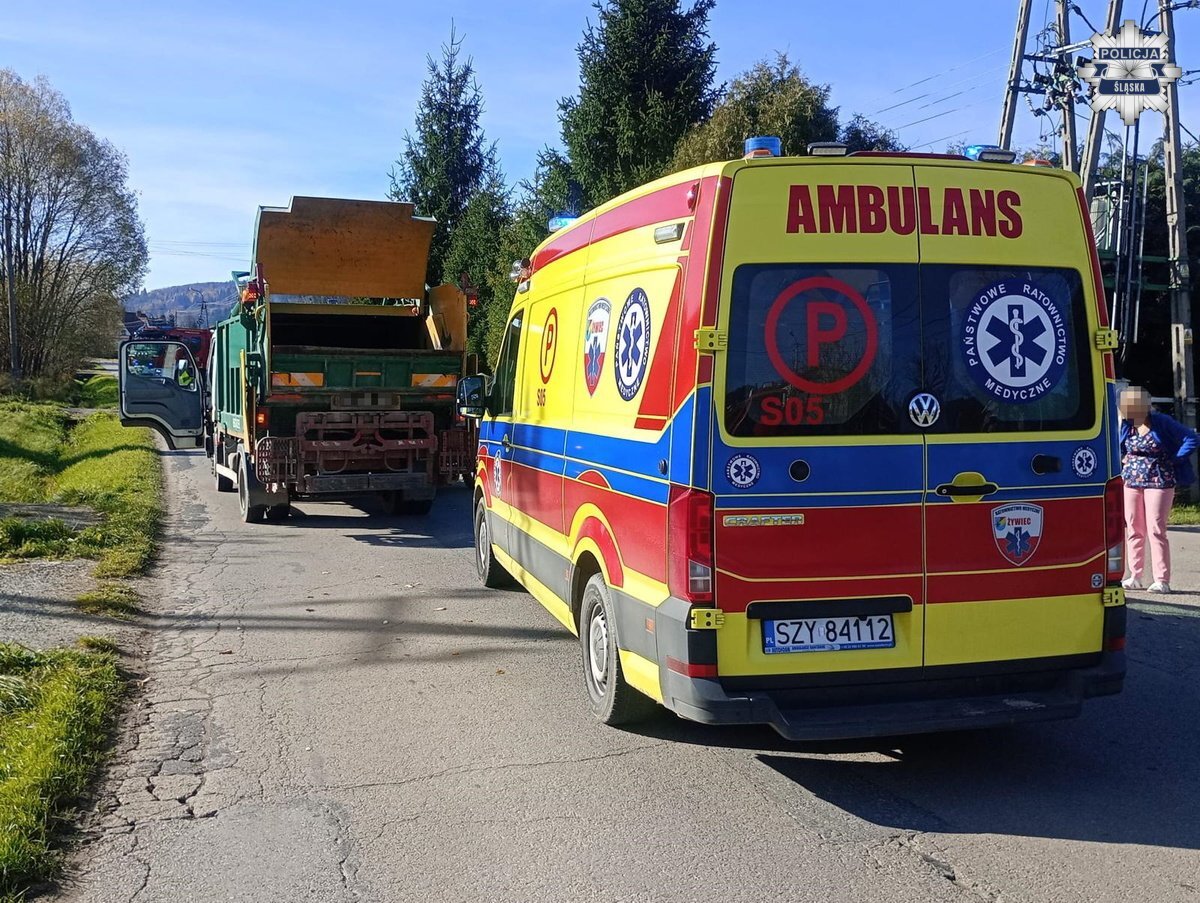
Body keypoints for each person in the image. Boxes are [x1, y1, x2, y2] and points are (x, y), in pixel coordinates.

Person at [1119, 386, 1197, 593]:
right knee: (1134, 528)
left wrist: (1175, 459)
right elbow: (1122, 446)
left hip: (1159, 480)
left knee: (1156, 529)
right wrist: (1123, 458)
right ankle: (1135, 576)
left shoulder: (1162, 422)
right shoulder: (1128, 424)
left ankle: (1162, 580)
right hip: (1131, 480)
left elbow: (1191, 438)